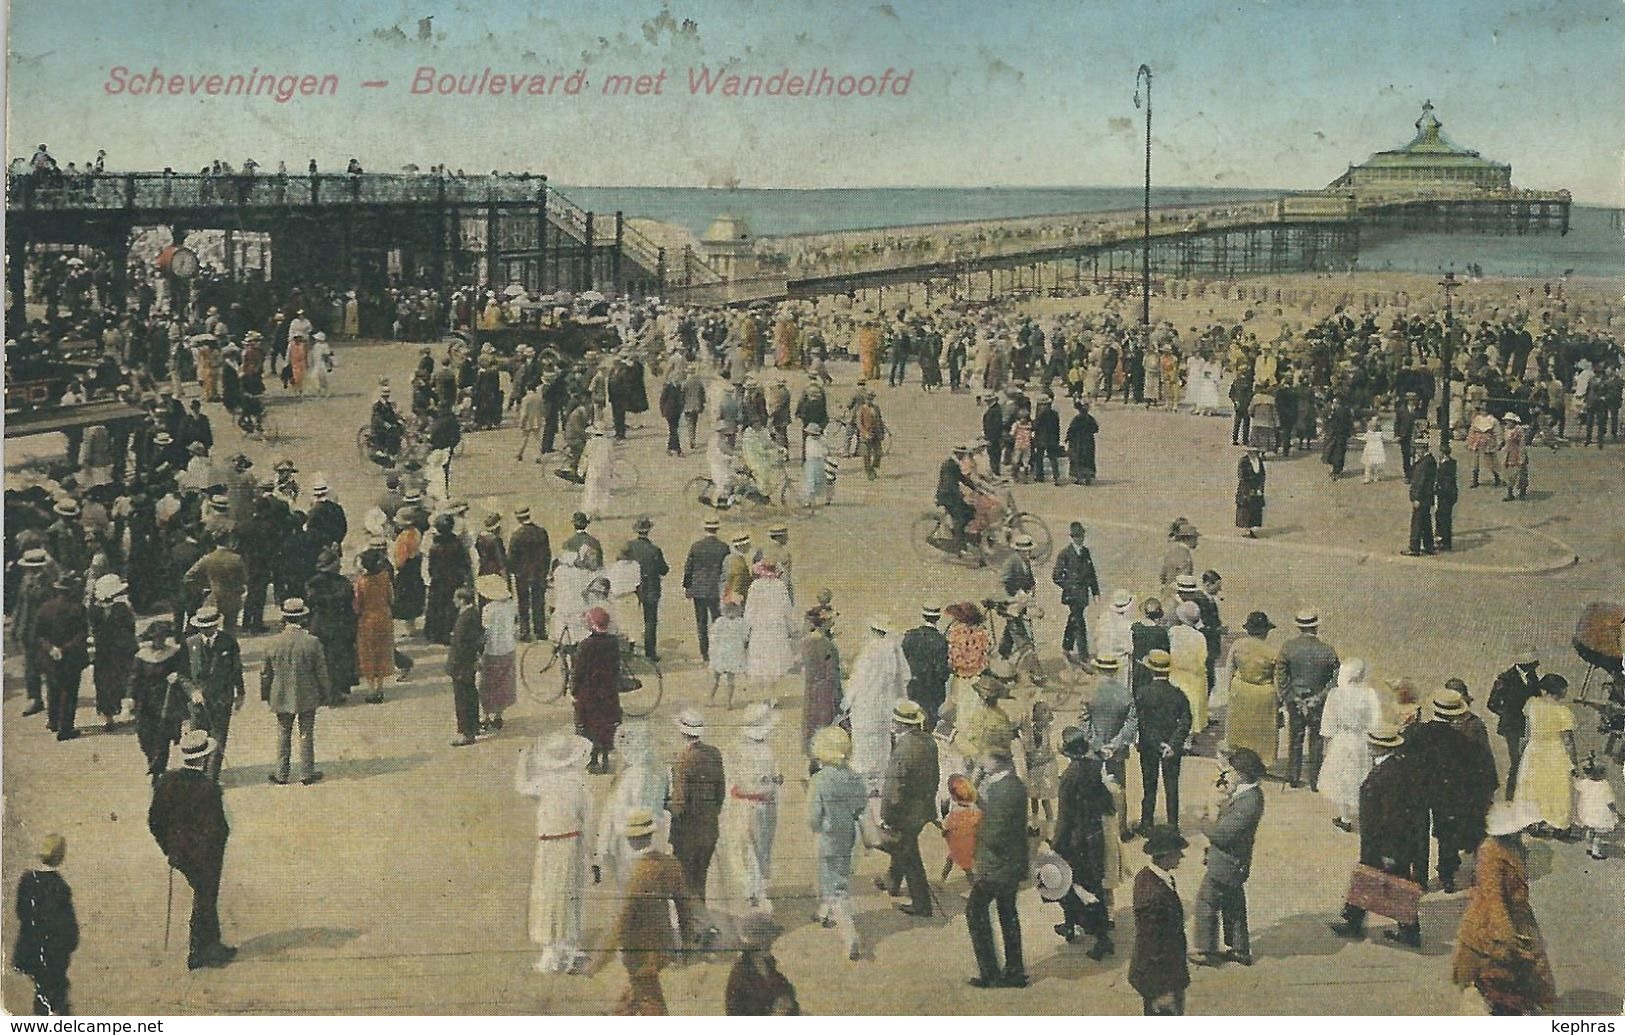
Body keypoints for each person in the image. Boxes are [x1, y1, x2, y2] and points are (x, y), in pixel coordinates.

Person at [1451, 801, 1556, 1015]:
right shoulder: (1491, 853)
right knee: (1501, 978)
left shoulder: (1514, 847)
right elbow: (1494, 900)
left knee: (1520, 978)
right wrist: (1506, 936)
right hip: (1494, 925)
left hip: (1517, 918)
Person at [1330, 726, 1426, 947]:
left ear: (1379, 746)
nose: (1368, 745)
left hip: (1386, 844)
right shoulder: (1391, 766)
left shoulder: (1391, 774)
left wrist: (1390, 852)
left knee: (1396, 885)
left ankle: (1410, 932)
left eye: (1371, 742)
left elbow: (1394, 818)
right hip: (1379, 842)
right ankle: (1354, 921)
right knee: (1367, 879)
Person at [148, 730, 237, 970]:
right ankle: (200, 950)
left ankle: (211, 944)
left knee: (203, 896)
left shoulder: (166, 781)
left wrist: (168, 848)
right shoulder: (209, 789)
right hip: (205, 857)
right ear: (206, 758)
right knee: (206, 898)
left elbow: (154, 821)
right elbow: (219, 828)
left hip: (179, 855)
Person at [1406, 686, 1499, 891]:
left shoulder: (1417, 732)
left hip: (1420, 790)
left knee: (1420, 833)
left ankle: (1420, 878)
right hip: (1447, 792)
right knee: (1446, 832)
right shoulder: (1460, 740)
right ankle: (1446, 876)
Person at [515, 731, 593, 974]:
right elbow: (588, 819)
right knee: (569, 894)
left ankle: (552, 949)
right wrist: (591, 854)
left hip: (550, 845)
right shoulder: (579, 782)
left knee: (548, 895)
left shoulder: (544, 782)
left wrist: (523, 760)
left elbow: (521, 786)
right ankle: (568, 944)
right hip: (572, 843)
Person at [611, 807, 697, 1015]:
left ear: (630, 840)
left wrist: (598, 960)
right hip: (662, 944)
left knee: (651, 1003)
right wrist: (687, 941)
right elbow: (684, 906)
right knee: (635, 997)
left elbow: (623, 918)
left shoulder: (637, 870)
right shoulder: (669, 863)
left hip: (641, 952)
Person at [1188, 748, 1266, 967]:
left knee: (1206, 902)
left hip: (1227, 864)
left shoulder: (1248, 802)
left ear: (1240, 773)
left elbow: (1223, 835)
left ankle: (1206, 949)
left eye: (1230, 770)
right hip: (1235, 864)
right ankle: (1240, 949)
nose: (1227, 774)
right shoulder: (1248, 794)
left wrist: (1201, 820)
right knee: (1233, 904)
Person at [709, 701, 783, 916]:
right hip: (761, 805)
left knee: (743, 847)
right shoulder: (766, 753)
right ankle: (756, 891)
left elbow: (729, 778)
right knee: (759, 848)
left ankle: (750, 890)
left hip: (740, 804)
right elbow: (772, 781)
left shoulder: (733, 748)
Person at [1049, 728, 1118, 958]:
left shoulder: (1069, 778)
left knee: (1074, 886)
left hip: (1075, 841)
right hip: (1094, 835)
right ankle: (1075, 927)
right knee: (1091, 885)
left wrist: (1055, 844)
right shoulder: (1094, 766)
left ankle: (1100, 937)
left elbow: (1064, 817)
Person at [966, 748, 1030, 988]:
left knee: (975, 911)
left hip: (996, 865)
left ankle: (990, 971)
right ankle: (1015, 970)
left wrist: (974, 825)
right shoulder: (1014, 785)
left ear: (996, 762)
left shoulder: (1002, 791)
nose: (981, 762)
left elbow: (995, 834)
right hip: (1012, 863)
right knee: (1007, 914)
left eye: (984, 759)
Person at [806, 726, 868, 960]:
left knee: (835, 887)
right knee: (836, 876)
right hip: (849, 835)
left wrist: (816, 827)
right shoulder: (854, 777)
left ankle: (849, 934)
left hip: (827, 835)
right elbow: (860, 805)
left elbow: (813, 818)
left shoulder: (820, 780)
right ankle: (824, 912)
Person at [878, 700, 939, 917]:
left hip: (905, 812)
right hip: (923, 808)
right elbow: (935, 777)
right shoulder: (929, 742)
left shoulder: (903, 750)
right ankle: (892, 881)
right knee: (905, 845)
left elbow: (893, 788)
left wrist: (886, 815)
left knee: (910, 856)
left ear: (900, 724)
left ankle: (922, 904)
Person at [260, 598, 330, 785]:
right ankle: (306, 773)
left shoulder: (272, 642)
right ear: (303, 618)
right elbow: (321, 672)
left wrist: (266, 694)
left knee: (283, 733)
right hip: (307, 693)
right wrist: (325, 692)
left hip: (281, 694)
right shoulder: (312, 642)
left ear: (284, 617)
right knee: (306, 733)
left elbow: (265, 673)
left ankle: (281, 773)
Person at [11, 834, 79, 1015]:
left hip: (31, 947)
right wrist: (71, 941)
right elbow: (67, 923)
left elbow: (21, 911)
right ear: (60, 857)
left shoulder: (27, 879)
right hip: (54, 951)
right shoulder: (59, 887)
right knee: (55, 990)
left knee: (42, 988)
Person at [1275, 610, 1340, 791]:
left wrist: (1292, 697)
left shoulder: (1288, 647)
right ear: (1316, 627)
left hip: (1295, 701)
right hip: (1318, 702)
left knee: (1295, 738)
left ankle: (1294, 777)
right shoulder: (1328, 650)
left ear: (1299, 627)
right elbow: (1335, 678)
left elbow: (1281, 677)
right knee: (1317, 740)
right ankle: (1314, 780)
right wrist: (1319, 697)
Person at [669, 709, 726, 910]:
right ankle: (701, 920)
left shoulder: (683, 760)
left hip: (687, 832)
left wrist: (665, 806)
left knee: (685, 883)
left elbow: (679, 803)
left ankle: (694, 927)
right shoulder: (714, 753)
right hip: (709, 828)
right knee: (700, 879)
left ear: (681, 733)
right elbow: (721, 793)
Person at [844, 619, 912, 790]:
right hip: (885, 706)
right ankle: (879, 785)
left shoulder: (868, 652)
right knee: (882, 745)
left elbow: (857, 680)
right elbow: (904, 677)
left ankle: (863, 785)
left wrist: (846, 702)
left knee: (863, 745)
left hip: (865, 705)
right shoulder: (894, 650)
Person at [1129, 826, 1190, 1015]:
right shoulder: (1154, 896)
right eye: (1177, 852)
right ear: (1165, 855)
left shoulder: (1150, 876)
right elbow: (1151, 944)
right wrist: (1161, 991)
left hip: (1166, 971)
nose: (1181, 856)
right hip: (1160, 978)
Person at [1318, 659, 1382, 832]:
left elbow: (1328, 722)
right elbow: (1376, 720)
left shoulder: (1336, 694)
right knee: (1362, 774)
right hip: (1362, 739)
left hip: (1343, 739)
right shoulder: (1369, 693)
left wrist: (1327, 742)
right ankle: (1364, 812)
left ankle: (1346, 816)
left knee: (1343, 777)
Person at [1514, 674, 1579, 838]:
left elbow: (1527, 733)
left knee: (1533, 787)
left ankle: (1533, 822)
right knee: (1557, 789)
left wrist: (1523, 751)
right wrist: (1574, 763)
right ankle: (1560, 825)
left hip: (1534, 751)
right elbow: (1568, 742)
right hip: (1555, 753)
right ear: (1561, 691)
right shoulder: (1563, 712)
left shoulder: (1532, 704)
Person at [185, 606, 245, 782]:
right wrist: (192, 691)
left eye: (210, 627)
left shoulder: (229, 642)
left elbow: (236, 670)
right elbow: (182, 674)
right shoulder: (190, 644)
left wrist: (240, 693)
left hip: (221, 698)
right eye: (203, 628)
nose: (207, 631)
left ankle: (211, 778)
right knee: (197, 739)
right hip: (197, 702)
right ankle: (196, 775)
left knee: (218, 738)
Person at [1135, 649, 1192, 833]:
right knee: (1172, 786)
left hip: (1150, 747)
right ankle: (1173, 825)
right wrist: (1172, 744)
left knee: (1149, 786)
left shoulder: (1143, 693)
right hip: (1172, 748)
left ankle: (1146, 823)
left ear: (1150, 670)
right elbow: (1186, 721)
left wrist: (1157, 743)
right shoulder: (1178, 694)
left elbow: (1142, 723)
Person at [35, 574, 89, 741]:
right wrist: (64, 649)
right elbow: (82, 634)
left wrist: (51, 648)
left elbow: (38, 635)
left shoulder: (44, 608)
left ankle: (53, 721)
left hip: (49, 656)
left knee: (52, 687)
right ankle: (65, 728)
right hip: (71, 656)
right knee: (69, 691)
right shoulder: (78, 609)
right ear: (72, 591)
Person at [572, 606, 624, 772]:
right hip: (608, 692)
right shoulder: (613, 642)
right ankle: (606, 758)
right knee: (605, 726)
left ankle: (593, 760)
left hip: (589, 694)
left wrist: (573, 691)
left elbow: (578, 672)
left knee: (588, 726)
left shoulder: (586, 645)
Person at [1225, 611, 1278, 767]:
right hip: (1263, 692)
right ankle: (1261, 762)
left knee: (1240, 729)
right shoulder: (1272, 652)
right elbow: (1277, 678)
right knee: (1261, 732)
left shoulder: (1237, 645)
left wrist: (1230, 689)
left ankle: (1239, 759)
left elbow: (1230, 669)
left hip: (1241, 690)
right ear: (1265, 631)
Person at [1488, 647, 1542, 800]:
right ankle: (1510, 797)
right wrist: (1507, 714)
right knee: (1517, 760)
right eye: (1533, 663)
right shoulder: (1505, 679)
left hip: (1529, 724)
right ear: (1525, 663)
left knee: (1528, 758)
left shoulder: (1532, 676)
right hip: (1512, 726)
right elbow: (1492, 703)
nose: (1536, 665)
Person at [88, 574, 138, 731]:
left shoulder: (96, 610)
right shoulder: (120, 609)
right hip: (115, 651)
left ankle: (110, 715)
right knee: (115, 681)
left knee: (109, 682)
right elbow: (131, 628)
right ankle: (114, 713)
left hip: (108, 651)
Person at [724, 915, 800, 1015]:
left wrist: (786, 1000)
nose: (769, 943)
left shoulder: (770, 967)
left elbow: (788, 991)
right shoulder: (740, 974)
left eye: (769, 939)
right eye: (763, 940)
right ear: (752, 945)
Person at [1051, 522, 1101, 664]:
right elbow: (1056, 576)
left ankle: (1066, 648)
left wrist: (1095, 592)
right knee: (1079, 623)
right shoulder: (1065, 554)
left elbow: (1091, 574)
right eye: (1077, 536)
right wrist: (1069, 586)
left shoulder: (1085, 552)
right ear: (1072, 537)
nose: (1080, 539)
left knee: (1073, 620)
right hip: (1072, 596)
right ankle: (1083, 656)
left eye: (1082, 536)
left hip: (1083, 595)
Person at [622, 516, 669, 661]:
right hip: (651, 588)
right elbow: (664, 570)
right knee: (650, 621)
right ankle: (650, 652)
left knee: (630, 619)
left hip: (632, 588)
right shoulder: (655, 550)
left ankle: (629, 649)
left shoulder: (629, 547)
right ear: (649, 531)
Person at [683, 517, 729, 662]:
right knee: (717, 620)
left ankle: (705, 653)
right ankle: (718, 650)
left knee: (701, 622)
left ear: (705, 529)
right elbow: (726, 569)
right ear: (717, 529)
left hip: (699, 590)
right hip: (716, 589)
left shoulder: (696, 546)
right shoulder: (723, 547)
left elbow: (688, 568)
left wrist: (687, 586)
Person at [354, 545, 396, 704]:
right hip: (384, 617)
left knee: (368, 654)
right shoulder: (385, 577)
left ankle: (371, 690)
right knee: (383, 652)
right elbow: (391, 598)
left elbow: (357, 604)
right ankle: (380, 688)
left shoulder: (362, 582)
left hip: (368, 619)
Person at [901, 606, 951, 727]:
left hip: (913, 688)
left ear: (923, 616)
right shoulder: (941, 641)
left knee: (911, 722)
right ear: (938, 618)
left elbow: (903, 661)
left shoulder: (910, 636)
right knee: (929, 724)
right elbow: (942, 673)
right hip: (932, 692)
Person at [508, 507, 551, 642]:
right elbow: (546, 554)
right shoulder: (541, 532)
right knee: (539, 602)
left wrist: (515, 572)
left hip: (523, 575)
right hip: (538, 573)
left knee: (523, 604)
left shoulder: (516, 536)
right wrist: (544, 571)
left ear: (518, 518)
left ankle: (525, 632)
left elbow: (511, 559)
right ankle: (540, 631)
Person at [447, 588, 482, 746]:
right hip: (468, 664)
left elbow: (461, 644)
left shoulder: (465, 618)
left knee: (462, 700)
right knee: (471, 695)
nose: (454, 601)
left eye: (456, 598)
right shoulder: (473, 614)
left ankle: (466, 733)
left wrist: (455, 665)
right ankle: (474, 726)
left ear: (462, 600)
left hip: (461, 665)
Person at [1404, 430, 1439, 556]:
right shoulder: (1428, 460)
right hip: (1427, 497)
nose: (1416, 451)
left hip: (1422, 497)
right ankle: (1429, 546)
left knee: (1417, 522)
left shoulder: (1425, 463)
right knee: (1425, 521)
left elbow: (1421, 482)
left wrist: (1416, 498)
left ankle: (1414, 547)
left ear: (1422, 449)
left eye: (1418, 449)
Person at [1234, 446, 1266, 538]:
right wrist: (1249, 488)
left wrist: (1260, 487)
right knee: (1246, 509)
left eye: (1254, 452)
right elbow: (1242, 476)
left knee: (1255, 508)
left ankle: (1251, 528)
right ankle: (1246, 530)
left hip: (1257, 488)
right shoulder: (1244, 461)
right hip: (1246, 488)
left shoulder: (1259, 461)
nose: (1252, 453)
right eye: (1251, 452)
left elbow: (1262, 475)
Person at [1066, 400, 1100, 485]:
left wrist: (1068, 438)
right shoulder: (1090, 418)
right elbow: (1096, 429)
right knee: (1088, 459)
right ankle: (1088, 476)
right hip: (1088, 441)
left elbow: (1071, 430)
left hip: (1077, 442)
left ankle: (1079, 477)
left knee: (1078, 458)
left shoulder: (1077, 419)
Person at [1435, 442, 1459, 551]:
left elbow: (1445, 482)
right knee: (1443, 517)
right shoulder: (1451, 463)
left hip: (1445, 495)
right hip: (1450, 494)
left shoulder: (1445, 466)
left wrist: (1438, 489)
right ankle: (1443, 539)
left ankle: (1444, 541)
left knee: (1443, 517)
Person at [1500, 412, 1529, 501]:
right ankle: (1510, 493)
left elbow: (1522, 444)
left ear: (1513, 421)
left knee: (1521, 473)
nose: (1507, 423)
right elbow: (1506, 442)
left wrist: (1522, 457)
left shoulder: (1519, 430)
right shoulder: (1506, 429)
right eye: (1506, 421)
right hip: (1509, 454)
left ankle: (1522, 491)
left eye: (1509, 421)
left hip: (1517, 453)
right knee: (1510, 474)